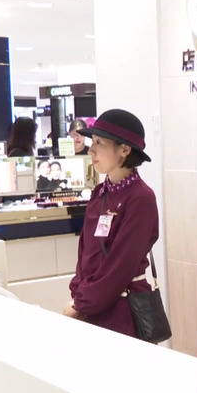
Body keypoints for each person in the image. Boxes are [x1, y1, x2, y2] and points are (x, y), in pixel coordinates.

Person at [63, 109, 159, 338]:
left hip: (122, 312)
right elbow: (85, 254)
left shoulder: (141, 198)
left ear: (124, 150)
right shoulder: (100, 193)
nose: (91, 149)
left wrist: (81, 303)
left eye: (100, 142)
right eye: (92, 141)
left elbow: (121, 265)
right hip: (91, 309)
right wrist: (78, 296)